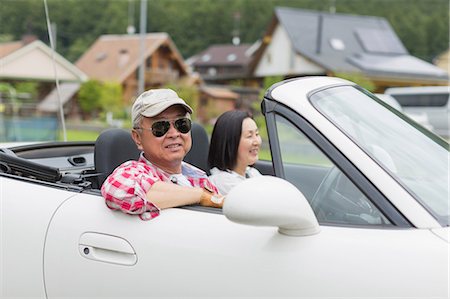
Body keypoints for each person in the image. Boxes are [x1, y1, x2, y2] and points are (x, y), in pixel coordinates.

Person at [101, 88, 223, 221]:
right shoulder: (134, 171)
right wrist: (200, 196)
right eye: (160, 127)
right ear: (137, 138)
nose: (174, 134)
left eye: (181, 124)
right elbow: (119, 190)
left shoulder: (200, 178)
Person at [207, 110, 262, 195]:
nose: (256, 142)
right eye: (249, 136)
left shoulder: (252, 172)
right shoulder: (223, 182)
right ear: (230, 142)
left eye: (257, 134)